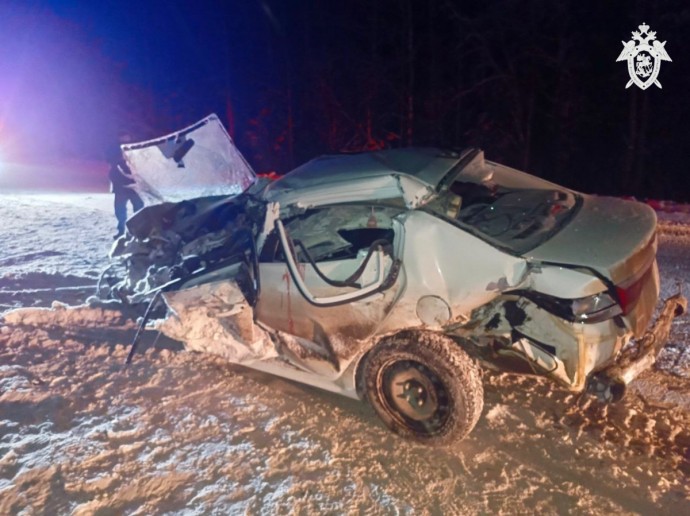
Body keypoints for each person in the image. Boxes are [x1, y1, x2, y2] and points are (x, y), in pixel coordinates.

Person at [108, 131, 144, 238]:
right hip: (120, 185)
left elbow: (141, 162)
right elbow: (110, 161)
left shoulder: (136, 147)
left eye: (126, 136)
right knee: (120, 210)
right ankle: (121, 230)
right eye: (122, 136)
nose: (125, 138)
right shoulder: (114, 149)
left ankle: (137, 230)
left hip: (134, 185)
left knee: (138, 210)